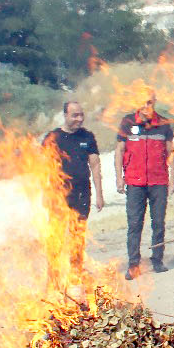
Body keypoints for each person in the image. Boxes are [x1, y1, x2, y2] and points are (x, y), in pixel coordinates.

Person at [114, 88, 174, 278]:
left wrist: (173, 178)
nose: (146, 106)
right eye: (142, 102)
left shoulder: (164, 124)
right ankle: (134, 264)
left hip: (158, 181)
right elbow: (119, 151)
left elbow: (171, 153)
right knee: (134, 224)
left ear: (155, 102)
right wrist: (119, 177)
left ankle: (157, 260)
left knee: (158, 223)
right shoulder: (127, 122)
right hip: (135, 182)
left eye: (149, 102)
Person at [41, 100, 103, 272]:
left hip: (82, 194)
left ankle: (76, 273)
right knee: (56, 236)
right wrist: (45, 192)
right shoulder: (53, 138)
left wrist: (99, 194)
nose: (79, 119)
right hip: (58, 195)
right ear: (65, 116)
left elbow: (95, 165)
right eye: (75, 115)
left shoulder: (87, 137)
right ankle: (53, 276)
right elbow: (43, 166)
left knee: (78, 236)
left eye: (81, 115)